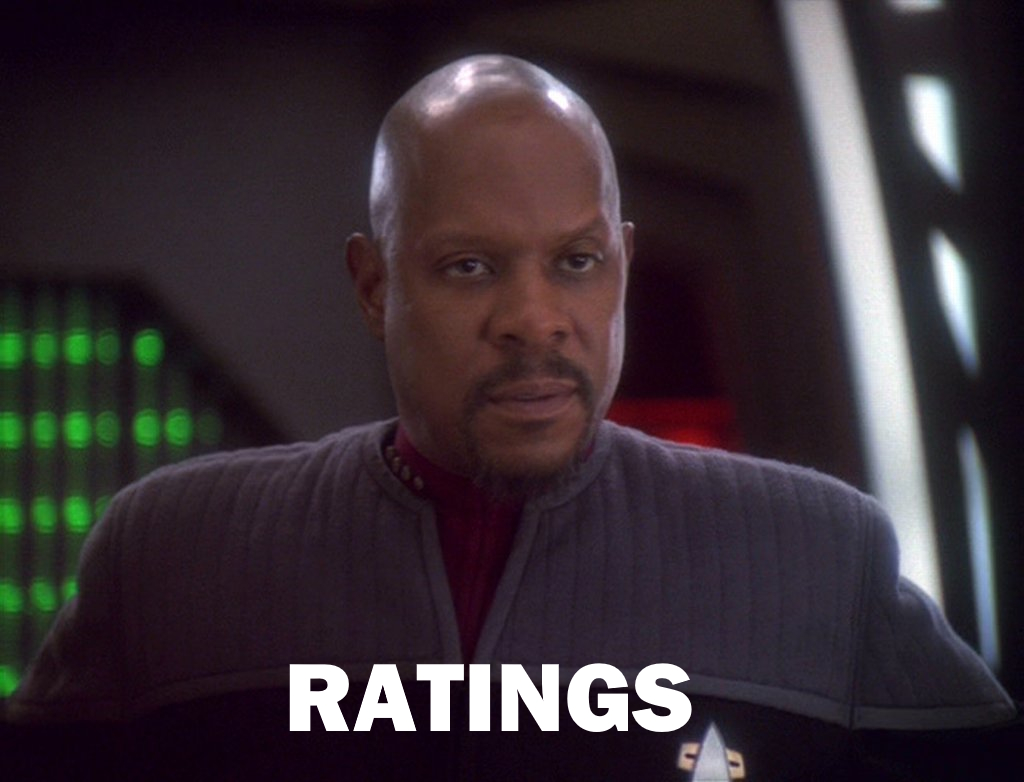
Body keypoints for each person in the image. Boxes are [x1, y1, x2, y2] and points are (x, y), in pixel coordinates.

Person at [4, 54, 1018, 780]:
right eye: (469, 266)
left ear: (622, 262)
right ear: (373, 286)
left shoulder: (821, 557)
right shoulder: (170, 559)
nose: (535, 319)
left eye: (576, 261)